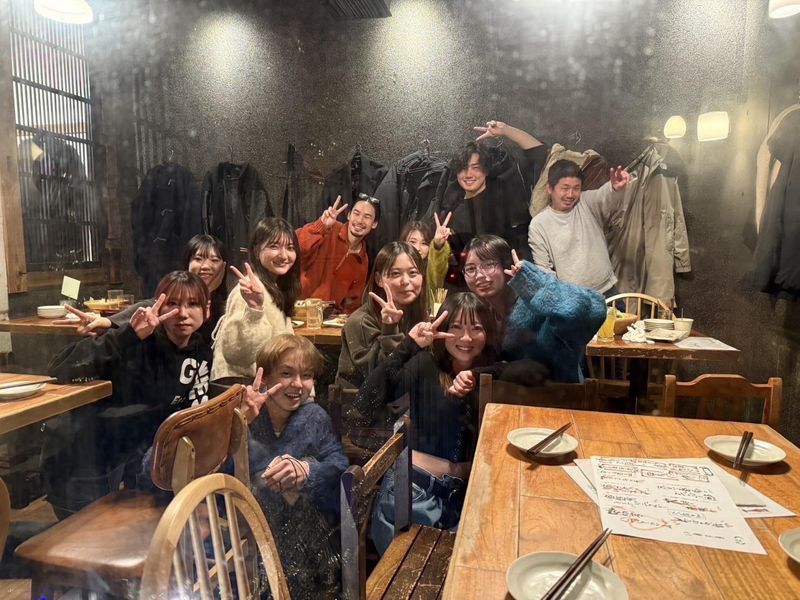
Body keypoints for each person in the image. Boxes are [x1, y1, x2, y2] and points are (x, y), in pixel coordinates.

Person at [45, 271, 213, 517]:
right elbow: (59, 368)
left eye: (193, 304)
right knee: (88, 533)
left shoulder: (200, 351)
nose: (182, 313)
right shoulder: (137, 341)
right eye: (173, 304)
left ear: (207, 310)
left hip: (131, 454)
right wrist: (127, 334)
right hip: (83, 457)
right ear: (157, 306)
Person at [356, 292, 497, 554]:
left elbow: (533, 370)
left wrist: (477, 375)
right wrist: (409, 345)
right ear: (441, 329)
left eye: (476, 328)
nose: (466, 338)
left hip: (465, 498)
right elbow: (366, 402)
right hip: (414, 495)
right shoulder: (426, 363)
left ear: (488, 332)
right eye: (456, 327)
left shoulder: (492, 370)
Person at [241, 334, 348, 599]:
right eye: (286, 373)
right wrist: (238, 423)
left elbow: (339, 465)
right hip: (247, 535)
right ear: (264, 378)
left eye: (307, 375)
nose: (298, 384)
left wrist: (307, 470)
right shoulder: (245, 412)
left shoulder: (314, 416)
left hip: (308, 543)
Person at [462, 235, 606, 383]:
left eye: (488, 265)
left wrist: (533, 284)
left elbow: (595, 309)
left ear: (506, 264)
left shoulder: (531, 303)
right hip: (511, 393)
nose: (479, 275)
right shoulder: (482, 312)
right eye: (471, 268)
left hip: (558, 391)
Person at [55, 234, 229, 345]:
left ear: (224, 265)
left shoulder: (230, 303)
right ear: (187, 263)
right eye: (198, 259)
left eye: (214, 260)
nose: (206, 266)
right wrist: (109, 322)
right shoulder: (171, 295)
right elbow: (151, 306)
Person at [438, 120, 546, 268]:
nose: (468, 174)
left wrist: (506, 130)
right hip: (474, 279)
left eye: (475, 167)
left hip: (512, 275)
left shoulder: (504, 196)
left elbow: (538, 153)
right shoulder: (451, 211)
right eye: (463, 168)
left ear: (486, 169)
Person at [212, 217, 299, 383]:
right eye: (274, 246)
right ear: (256, 250)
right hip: (243, 389)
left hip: (267, 385)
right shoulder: (248, 291)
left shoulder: (275, 287)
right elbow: (236, 354)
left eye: (290, 248)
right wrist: (255, 310)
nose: (284, 255)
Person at [528, 159, 632, 296]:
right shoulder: (539, 224)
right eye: (565, 188)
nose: (570, 195)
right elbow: (543, 269)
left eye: (576, 188)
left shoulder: (586, 202)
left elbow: (603, 196)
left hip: (607, 289)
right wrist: (561, 297)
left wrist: (614, 188)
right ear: (549, 188)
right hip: (574, 298)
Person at [336, 241, 427, 395]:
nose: (406, 281)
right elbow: (381, 378)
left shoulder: (418, 316)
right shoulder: (360, 321)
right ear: (378, 279)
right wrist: (390, 329)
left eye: (413, 273)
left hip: (406, 402)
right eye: (395, 274)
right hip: (364, 405)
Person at [296, 194, 380, 314]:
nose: (360, 220)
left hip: (327, 319)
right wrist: (321, 225)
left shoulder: (363, 259)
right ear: (349, 215)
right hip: (297, 310)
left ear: (374, 224)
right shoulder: (329, 228)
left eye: (367, 217)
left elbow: (352, 303)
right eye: (356, 213)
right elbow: (298, 247)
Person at [400, 212, 452, 309]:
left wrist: (438, 245)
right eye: (412, 242)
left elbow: (438, 265)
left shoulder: (431, 271)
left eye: (424, 243)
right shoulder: (395, 266)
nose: (418, 248)